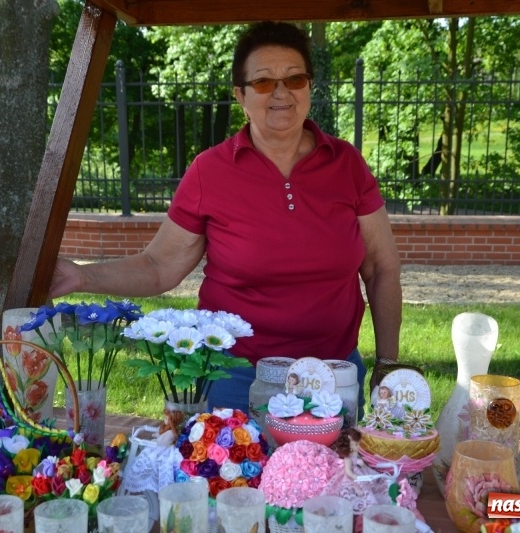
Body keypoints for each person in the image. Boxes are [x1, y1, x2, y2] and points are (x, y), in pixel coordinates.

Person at [48, 21, 403, 414]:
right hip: (235, 377)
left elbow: (381, 267)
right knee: (232, 476)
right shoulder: (209, 171)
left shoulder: (347, 164)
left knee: (336, 478)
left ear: (309, 87)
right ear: (241, 95)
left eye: (295, 78)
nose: (282, 93)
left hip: (334, 376)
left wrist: (387, 362)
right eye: (264, 82)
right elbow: (158, 267)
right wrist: (82, 275)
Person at [326, 428, 392, 516]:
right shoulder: (348, 458)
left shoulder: (356, 455)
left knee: (374, 481)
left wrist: (362, 464)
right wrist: (355, 477)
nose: (359, 447)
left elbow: (362, 464)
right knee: (357, 488)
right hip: (353, 477)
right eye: (356, 444)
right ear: (349, 446)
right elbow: (348, 471)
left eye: (358, 444)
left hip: (362, 472)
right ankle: (361, 498)